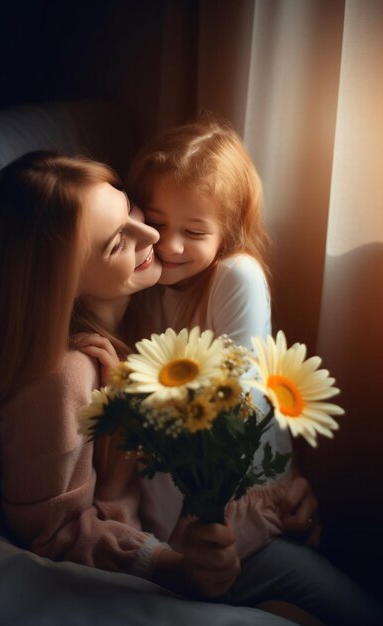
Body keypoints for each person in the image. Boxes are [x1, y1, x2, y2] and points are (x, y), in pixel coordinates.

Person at [122, 120, 382, 625]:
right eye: (158, 223)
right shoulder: (145, 285)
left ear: (228, 231)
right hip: (179, 525)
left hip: (236, 507)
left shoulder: (233, 275)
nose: (171, 245)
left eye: (194, 231)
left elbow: (246, 399)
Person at [0, 150, 252, 607]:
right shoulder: (59, 381)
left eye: (128, 206)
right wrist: (176, 569)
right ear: (61, 282)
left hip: (210, 536)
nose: (153, 234)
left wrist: (277, 496)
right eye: (117, 243)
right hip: (165, 565)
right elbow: (58, 534)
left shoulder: (150, 305)